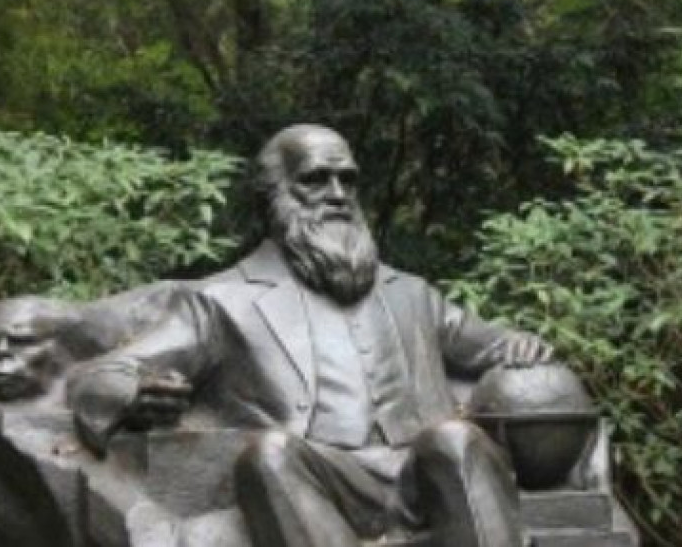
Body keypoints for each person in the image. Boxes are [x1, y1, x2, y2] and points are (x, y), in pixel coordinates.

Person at [69, 125, 553, 547]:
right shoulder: (223, 300)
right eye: (316, 180)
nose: (338, 194)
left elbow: (494, 343)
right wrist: (130, 390)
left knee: (455, 439)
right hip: (314, 481)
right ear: (273, 195)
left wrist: (521, 347)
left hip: (420, 477)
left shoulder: (411, 294)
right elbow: (108, 373)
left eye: (348, 180)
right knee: (271, 454)